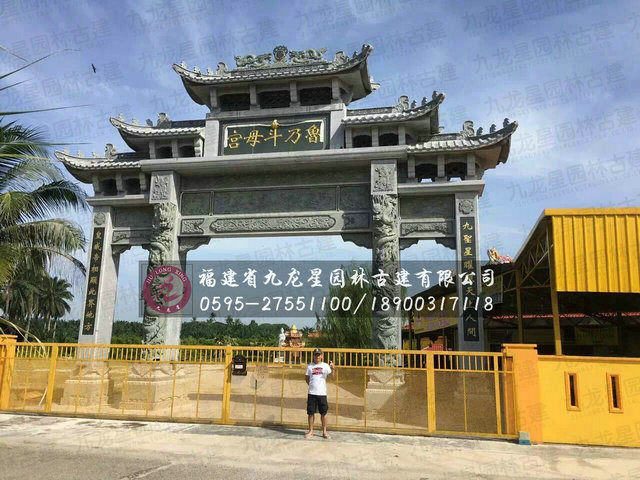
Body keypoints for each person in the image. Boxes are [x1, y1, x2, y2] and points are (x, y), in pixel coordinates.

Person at [305, 348, 333, 439]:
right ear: (313, 356)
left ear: (321, 356)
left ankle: (324, 432)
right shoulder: (310, 366)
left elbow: (331, 377)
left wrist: (333, 369)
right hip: (312, 393)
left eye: (319, 355)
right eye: (316, 355)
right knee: (311, 413)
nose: (317, 356)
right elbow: (307, 378)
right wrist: (312, 385)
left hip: (322, 393)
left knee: (324, 413)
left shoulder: (325, 366)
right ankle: (311, 431)